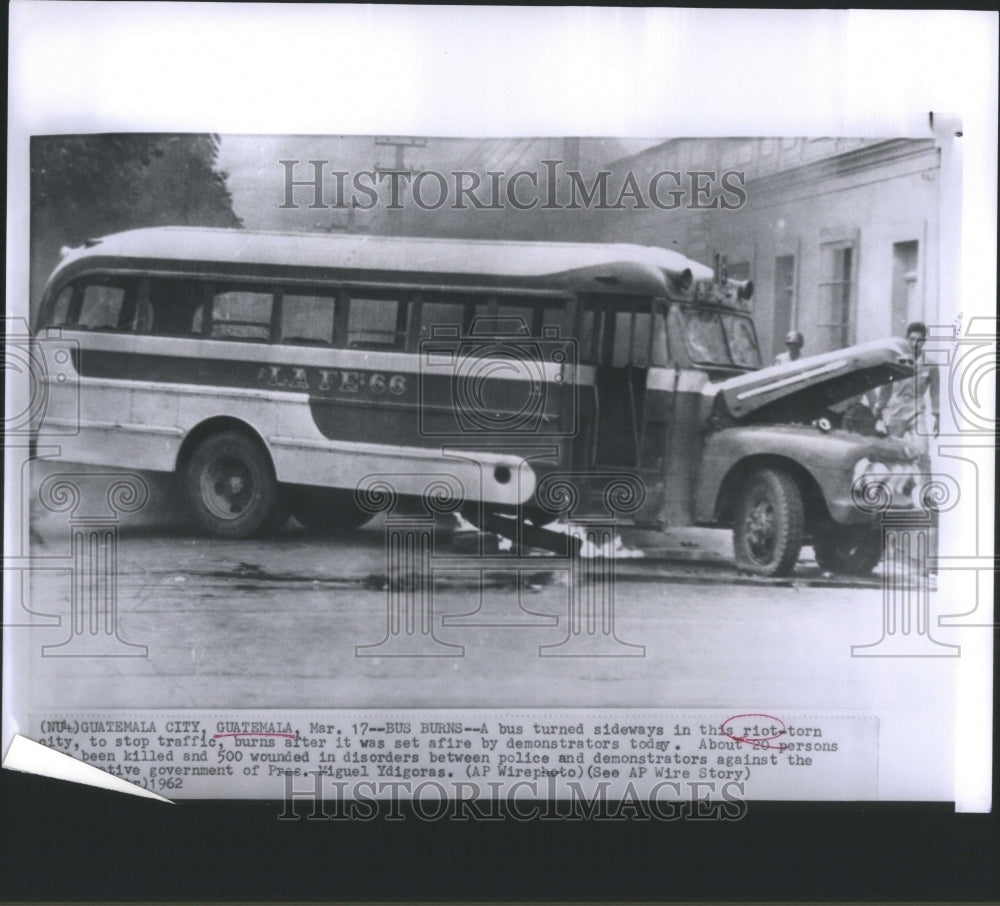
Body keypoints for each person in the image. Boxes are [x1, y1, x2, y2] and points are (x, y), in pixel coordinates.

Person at [872, 321, 940, 467]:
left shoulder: (931, 365)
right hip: (896, 411)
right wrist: (878, 408)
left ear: (924, 342)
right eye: (912, 339)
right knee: (889, 453)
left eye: (919, 340)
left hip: (917, 411)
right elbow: (886, 388)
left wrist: (937, 415)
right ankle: (886, 487)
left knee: (922, 451)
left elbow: (935, 393)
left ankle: (927, 489)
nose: (915, 343)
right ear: (906, 339)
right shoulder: (896, 362)